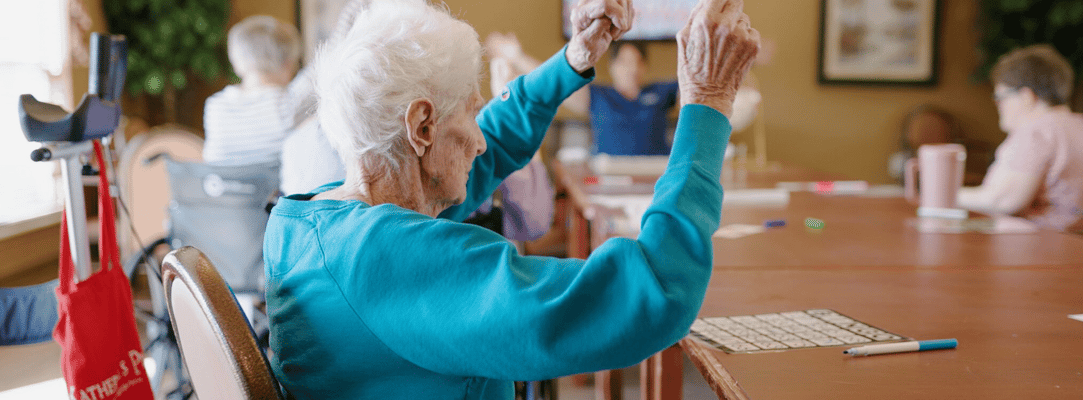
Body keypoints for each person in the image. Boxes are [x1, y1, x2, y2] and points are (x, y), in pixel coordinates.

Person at [263, 1, 759, 399]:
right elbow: (653, 292)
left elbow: (490, 147)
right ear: (421, 126)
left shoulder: (315, 220)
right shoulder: (394, 260)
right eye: (471, 113)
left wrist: (575, 59)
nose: (478, 141)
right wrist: (708, 104)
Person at [957, 44, 1083, 232]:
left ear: (1026, 96)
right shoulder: (1077, 124)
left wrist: (945, 193)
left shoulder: (1037, 132)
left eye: (1000, 97)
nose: (998, 105)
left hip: (1037, 247)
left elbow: (1004, 200)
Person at [202, 15, 314, 165]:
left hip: (222, 187)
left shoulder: (214, 106)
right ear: (288, 63)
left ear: (236, 61)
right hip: (279, 188)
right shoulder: (287, 105)